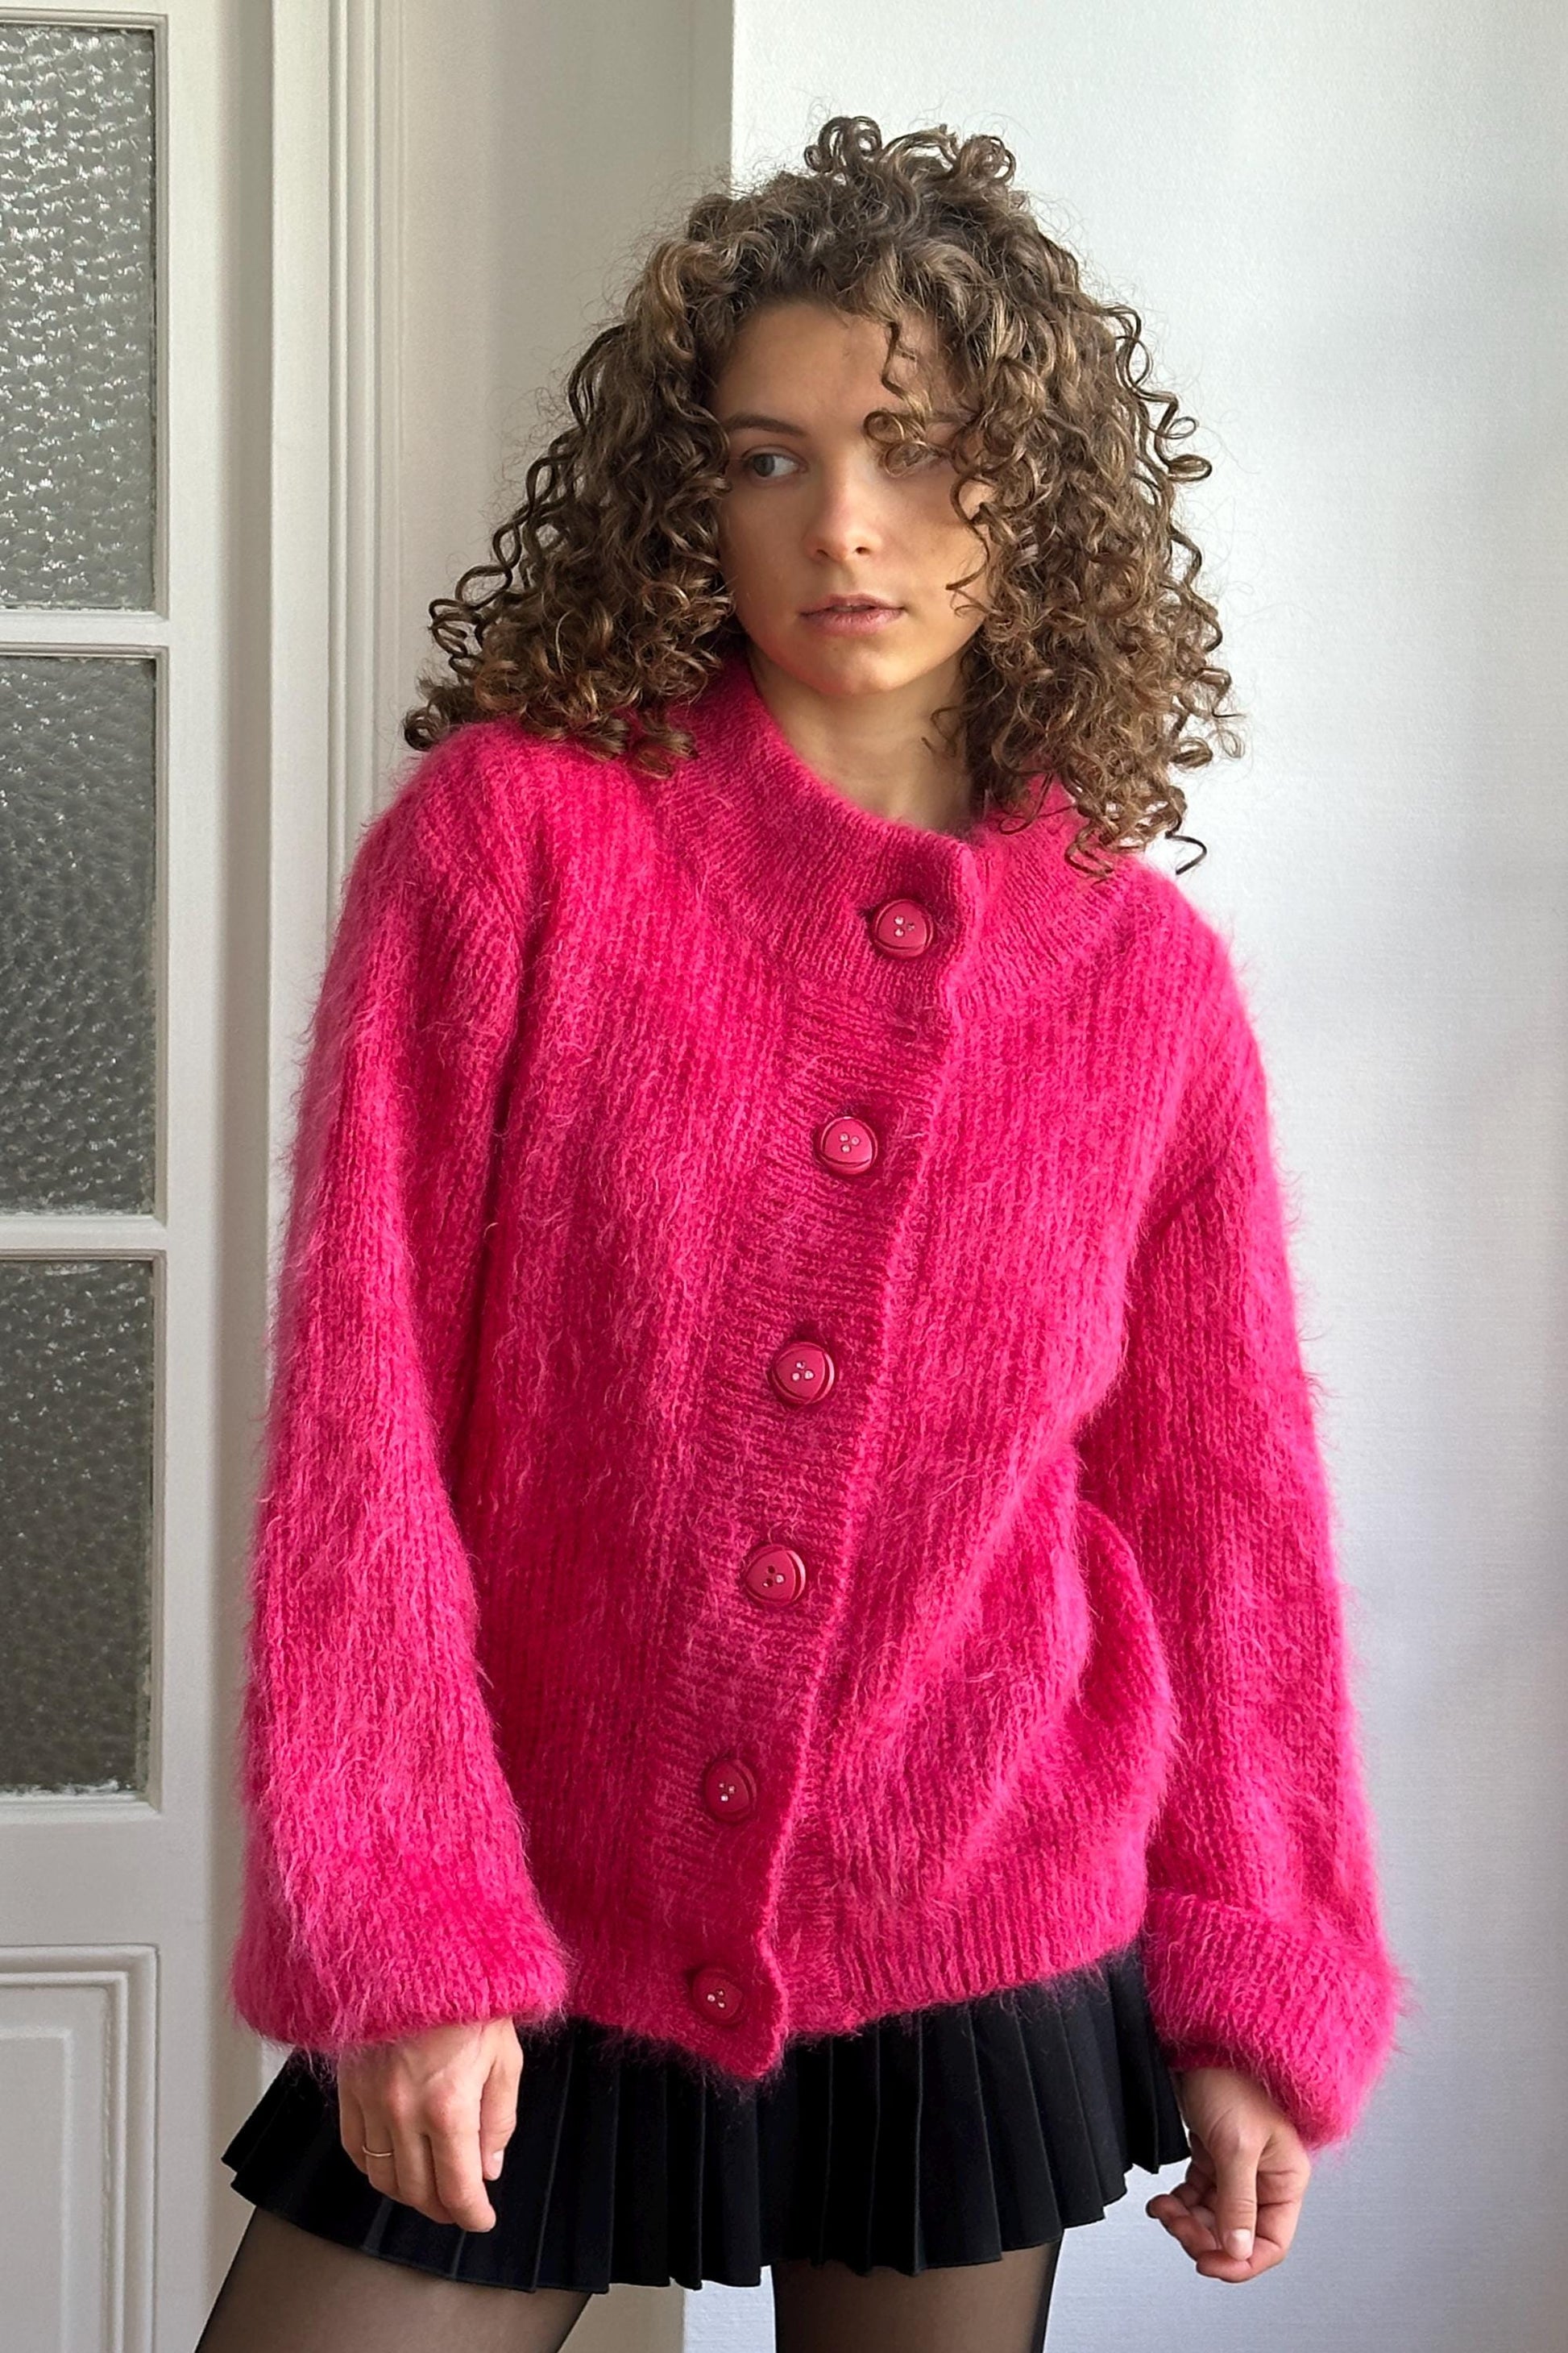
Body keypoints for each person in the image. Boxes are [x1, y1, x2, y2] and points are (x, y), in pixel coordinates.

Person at [196, 114, 1413, 2353]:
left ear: (1027, 490)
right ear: (686, 497)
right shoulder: (517, 850)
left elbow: (1220, 1514)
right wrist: (410, 1926)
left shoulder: (1144, 989)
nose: (840, 525)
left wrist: (1258, 1967)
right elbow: (362, 1424)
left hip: (973, 1916)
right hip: (535, 1905)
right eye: (765, 458)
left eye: (912, 448)